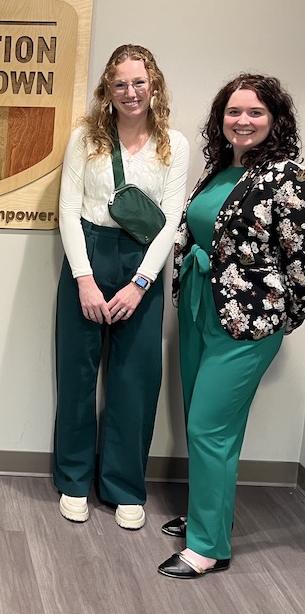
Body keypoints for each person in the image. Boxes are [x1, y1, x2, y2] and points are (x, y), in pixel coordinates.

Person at [158, 73, 305, 578]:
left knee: (208, 428)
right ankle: (210, 519)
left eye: (255, 112)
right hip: (201, 309)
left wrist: (280, 319)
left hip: (248, 325)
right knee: (214, 429)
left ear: (275, 119)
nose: (242, 121)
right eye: (233, 112)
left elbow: (302, 261)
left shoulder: (285, 177)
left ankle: (208, 549)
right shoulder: (223, 168)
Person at [54, 44, 189, 529]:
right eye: (120, 84)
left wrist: (139, 284)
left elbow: (172, 222)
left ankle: (124, 486)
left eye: (139, 82)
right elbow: (68, 210)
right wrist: (84, 280)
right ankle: (72, 479)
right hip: (86, 256)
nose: (131, 92)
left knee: (134, 381)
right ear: (107, 91)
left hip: (143, 263)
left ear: (154, 85)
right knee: (77, 378)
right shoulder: (85, 140)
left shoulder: (173, 144)